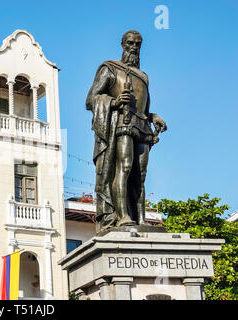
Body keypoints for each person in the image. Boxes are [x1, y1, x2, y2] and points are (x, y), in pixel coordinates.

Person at [86, 30, 167, 233]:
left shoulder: (144, 77)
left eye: (138, 44)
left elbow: (144, 109)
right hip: (122, 122)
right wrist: (113, 101)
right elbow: (90, 100)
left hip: (142, 126)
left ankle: (140, 218)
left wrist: (153, 116)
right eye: (130, 43)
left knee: (140, 175)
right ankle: (122, 216)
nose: (134, 47)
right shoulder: (110, 68)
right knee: (124, 167)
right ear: (123, 44)